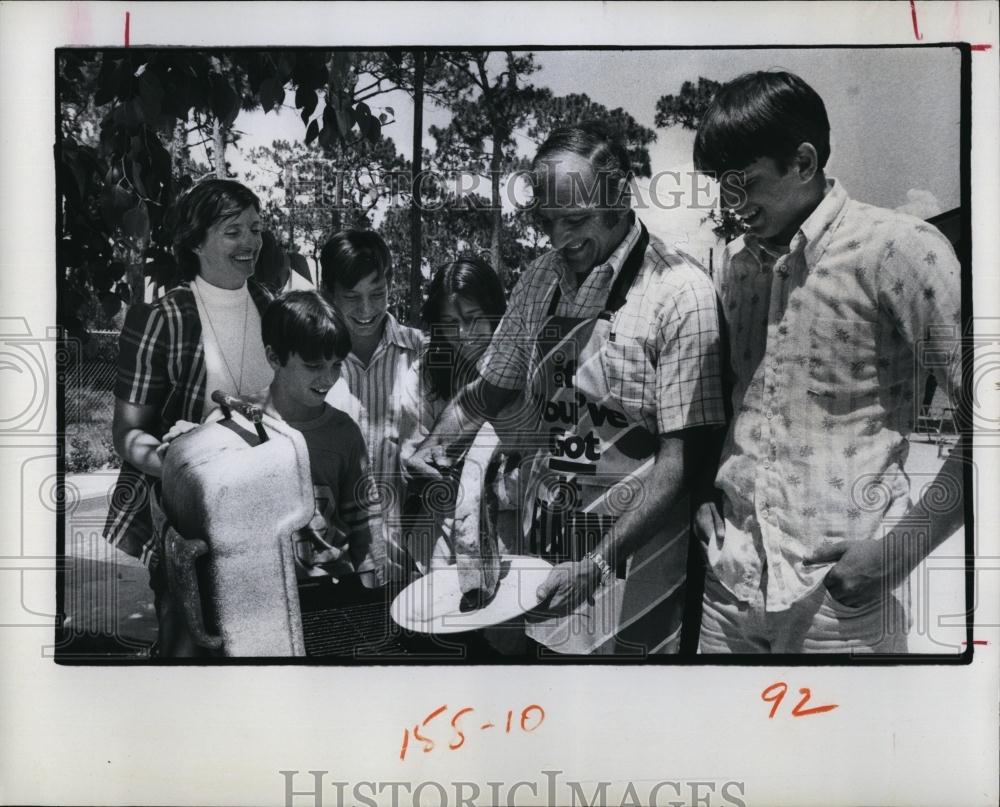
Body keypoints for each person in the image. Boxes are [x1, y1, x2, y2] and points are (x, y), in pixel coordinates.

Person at [406, 121, 728, 656]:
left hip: (637, 570)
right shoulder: (540, 279)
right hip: (549, 552)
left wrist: (598, 564)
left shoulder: (681, 293)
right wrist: (435, 447)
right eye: (547, 221)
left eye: (575, 220)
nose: (558, 239)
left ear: (620, 196)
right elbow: (491, 389)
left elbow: (682, 461)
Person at [692, 71, 964, 653]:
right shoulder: (735, 268)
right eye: (719, 184)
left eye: (744, 183)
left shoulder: (899, 249)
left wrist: (900, 552)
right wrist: (704, 499)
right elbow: (734, 408)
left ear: (805, 161)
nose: (728, 202)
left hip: (841, 605)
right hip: (729, 592)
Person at [103, 178, 275, 656]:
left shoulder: (274, 310)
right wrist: (189, 475)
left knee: (261, 650)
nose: (251, 242)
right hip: (187, 523)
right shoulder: (163, 318)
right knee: (191, 653)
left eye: (256, 228)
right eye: (233, 230)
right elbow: (128, 433)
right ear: (196, 241)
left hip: (265, 516)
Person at [251, 290, 379, 595]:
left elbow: (364, 526)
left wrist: (370, 603)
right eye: (313, 366)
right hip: (261, 596)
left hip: (332, 590)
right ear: (273, 357)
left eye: (335, 365)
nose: (327, 378)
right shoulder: (235, 424)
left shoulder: (343, 432)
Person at [319, 230, 425, 583]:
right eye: (351, 297)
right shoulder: (310, 362)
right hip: (332, 564)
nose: (366, 311)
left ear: (391, 284)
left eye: (377, 294)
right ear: (327, 294)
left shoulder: (423, 353)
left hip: (409, 562)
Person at [410, 256, 518, 573]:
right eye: (448, 322)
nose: (462, 333)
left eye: (473, 319)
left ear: (496, 313)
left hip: (507, 540)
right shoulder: (425, 374)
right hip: (440, 543)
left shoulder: (523, 373)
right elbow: (415, 454)